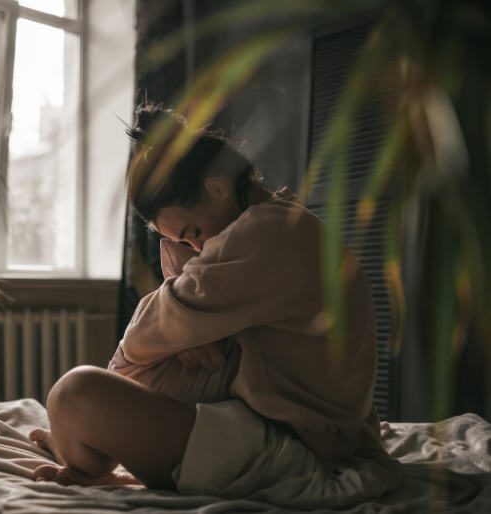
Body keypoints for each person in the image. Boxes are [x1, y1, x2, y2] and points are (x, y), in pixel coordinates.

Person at [28, 103, 389, 499]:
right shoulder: (284, 221)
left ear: (216, 187)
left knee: (74, 393)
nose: (199, 247)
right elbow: (172, 323)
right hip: (304, 431)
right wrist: (189, 338)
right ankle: (86, 444)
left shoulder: (260, 237)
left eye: (193, 232)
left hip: (300, 449)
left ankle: (87, 457)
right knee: (89, 397)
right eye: (185, 242)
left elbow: (139, 339)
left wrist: (182, 337)